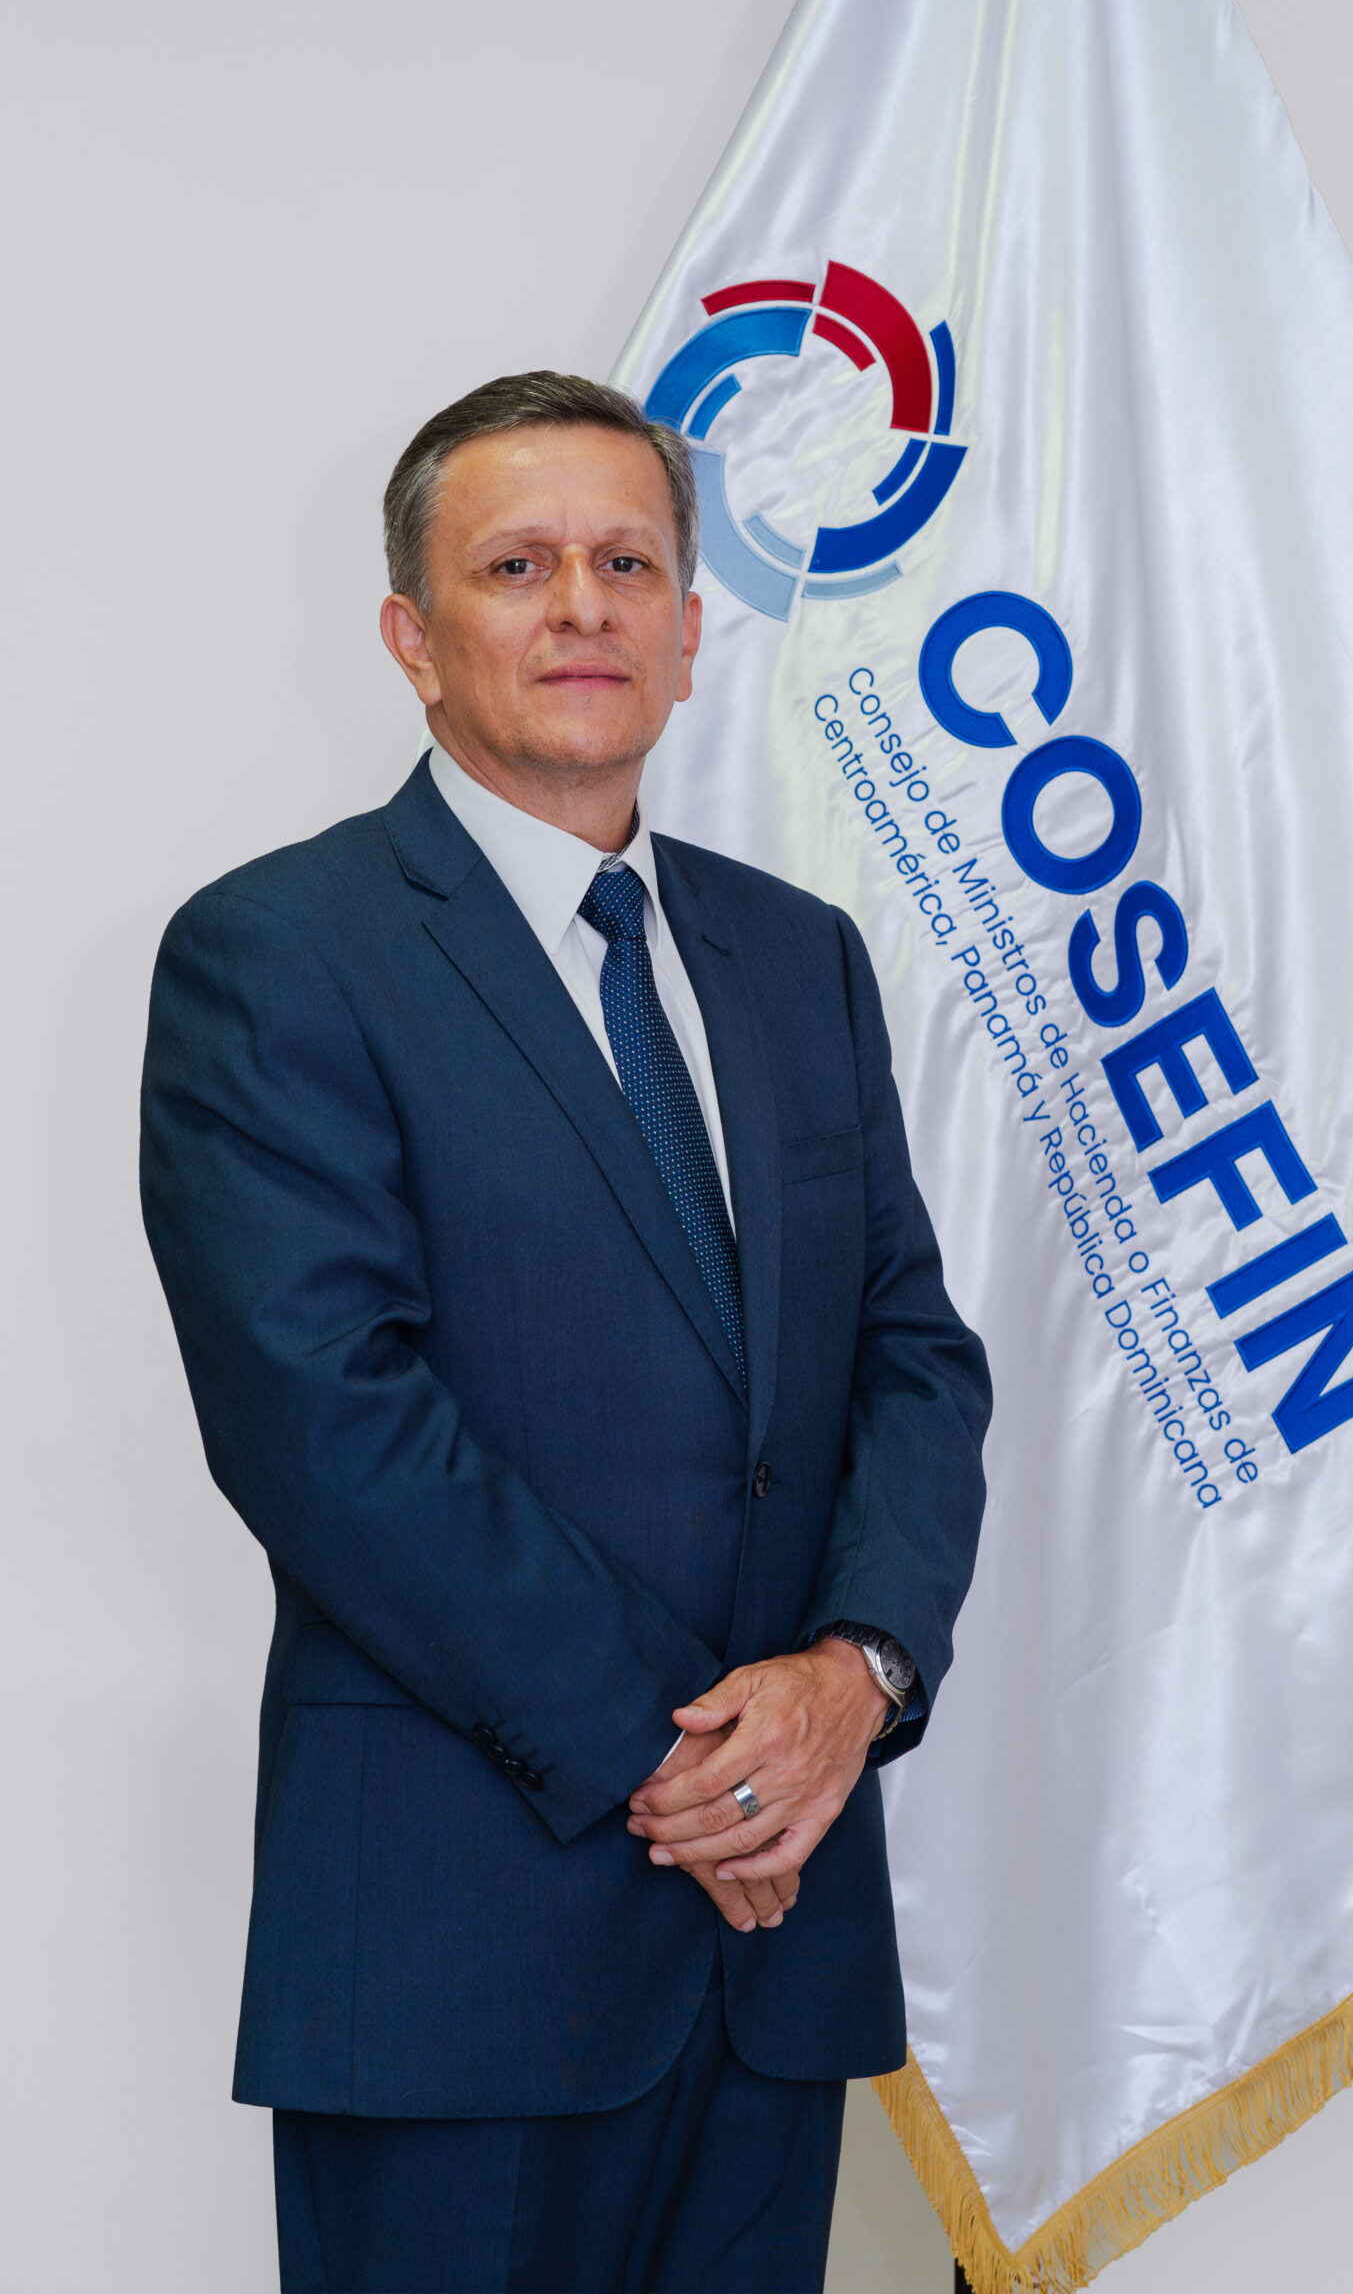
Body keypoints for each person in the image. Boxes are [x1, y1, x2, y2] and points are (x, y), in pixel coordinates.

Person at [139, 372, 990, 2293]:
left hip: (775, 1951)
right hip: (466, 1941)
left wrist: (853, 1674)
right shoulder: (280, 956)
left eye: (629, 564)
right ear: (411, 635)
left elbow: (910, 1355)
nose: (583, 606)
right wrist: (695, 1772)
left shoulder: (800, 958)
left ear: (689, 631)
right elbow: (326, 1424)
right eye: (517, 567)